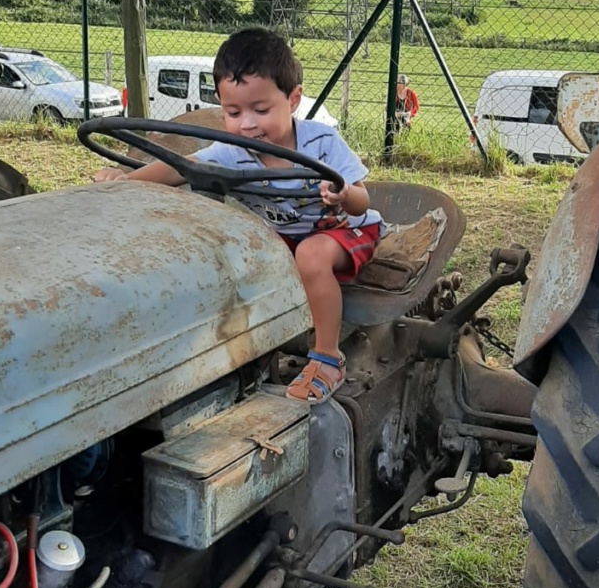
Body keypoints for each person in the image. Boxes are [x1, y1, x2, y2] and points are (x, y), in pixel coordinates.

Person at [93, 28, 383, 402]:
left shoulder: (321, 142)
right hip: (285, 234)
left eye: (261, 110)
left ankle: (328, 356)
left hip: (343, 229)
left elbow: (362, 197)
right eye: (233, 112)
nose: (246, 124)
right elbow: (181, 167)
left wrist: (344, 196)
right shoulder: (232, 150)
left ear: (293, 99)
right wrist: (126, 182)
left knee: (311, 255)